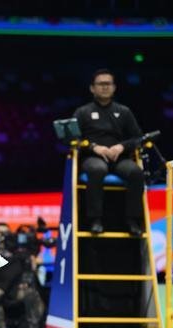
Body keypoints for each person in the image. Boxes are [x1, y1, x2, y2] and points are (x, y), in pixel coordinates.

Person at [73, 69, 145, 237]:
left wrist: (121, 147)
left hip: (119, 158)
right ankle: (95, 220)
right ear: (92, 88)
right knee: (98, 169)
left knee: (136, 172)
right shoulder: (82, 112)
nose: (105, 87)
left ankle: (133, 220)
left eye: (108, 84)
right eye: (101, 84)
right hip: (92, 158)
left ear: (114, 87)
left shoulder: (124, 111)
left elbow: (138, 138)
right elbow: (74, 139)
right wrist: (94, 147)